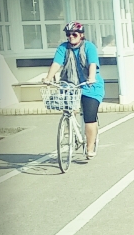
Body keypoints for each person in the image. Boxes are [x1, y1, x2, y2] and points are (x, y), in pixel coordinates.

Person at [42, 22, 104, 159]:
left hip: (90, 85)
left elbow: (92, 64)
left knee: (89, 117)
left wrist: (91, 77)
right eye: (68, 34)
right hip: (70, 83)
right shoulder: (63, 48)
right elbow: (56, 63)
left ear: (81, 35)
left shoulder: (89, 47)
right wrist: (48, 78)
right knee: (68, 108)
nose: (71, 37)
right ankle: (71, 130)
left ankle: (90, 147)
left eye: (74, 34)